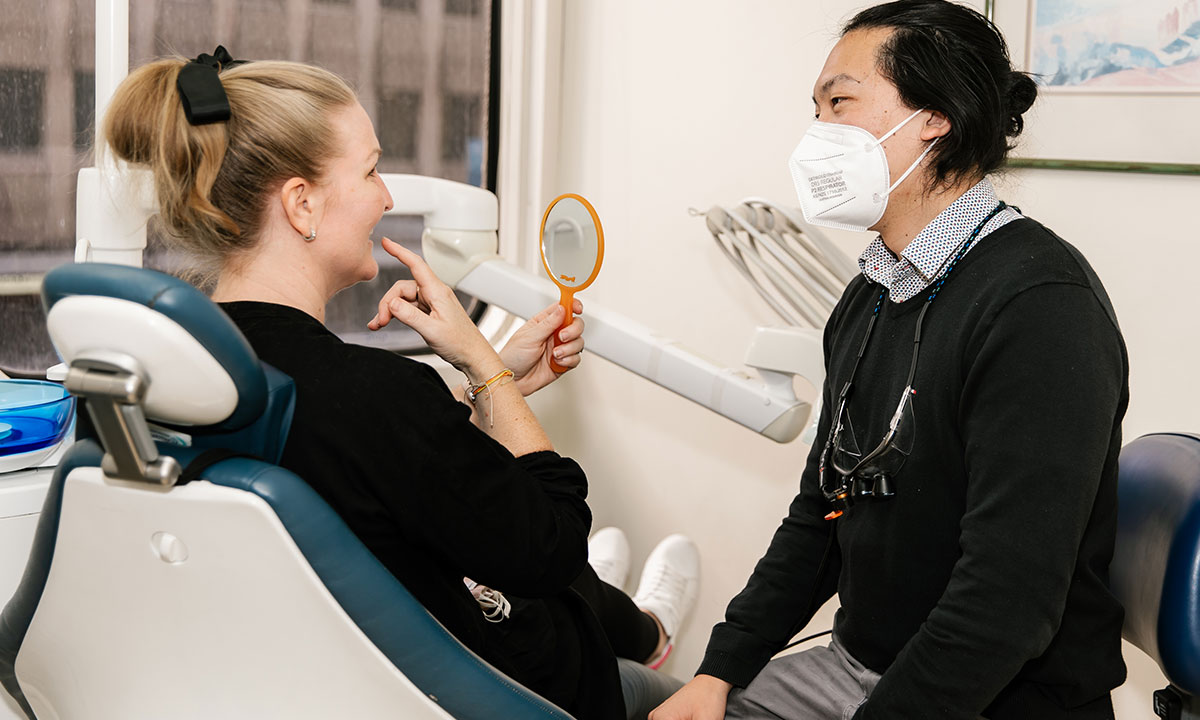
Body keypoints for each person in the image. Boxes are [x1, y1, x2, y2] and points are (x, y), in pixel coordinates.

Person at [100, 48, 700, 720]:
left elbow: (365, 461)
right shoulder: (370, 395)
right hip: (509, 695)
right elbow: (552, 546)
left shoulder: (169, 377)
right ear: (302, 205)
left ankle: (633, 619)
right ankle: (646, 634)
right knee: (679, 691)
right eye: (371, 170)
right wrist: (486, 367)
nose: (387, 197)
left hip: (305, 678)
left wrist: (481, 394)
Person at [653, 1, 1127, 719]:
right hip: (854, 667)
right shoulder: (872, 293)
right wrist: (719, 671)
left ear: (936, 115)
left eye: (839, 102)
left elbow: (1007, 603)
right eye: (815, 108)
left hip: (998, 696)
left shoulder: (1039, 306)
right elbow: (823, 512)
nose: (817, 134)